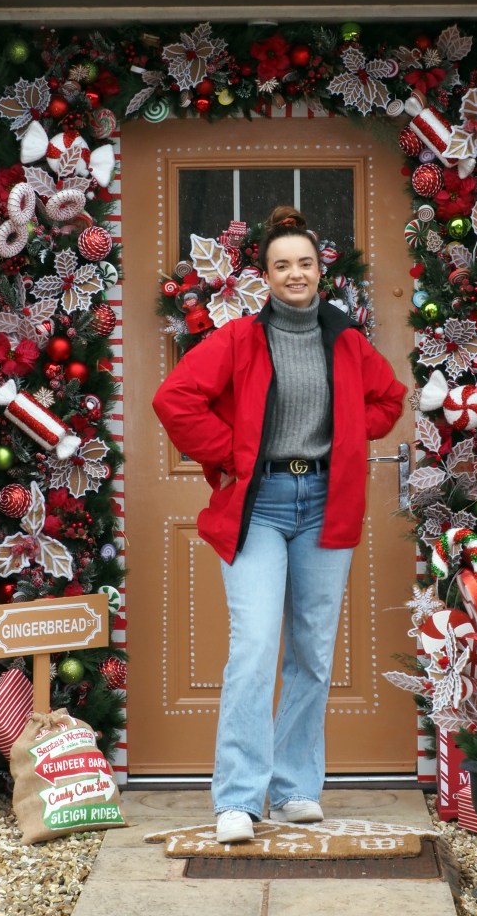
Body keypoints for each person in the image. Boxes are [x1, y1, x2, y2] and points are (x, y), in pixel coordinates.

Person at [152, 206, 406, 843]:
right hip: (258, 505)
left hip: (325, 503)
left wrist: (348, 435)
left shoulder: (346, 339)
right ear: (264, 276)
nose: (296, 274)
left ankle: (295, 790)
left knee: (313, 654)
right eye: (282, 265)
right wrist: (232, 452)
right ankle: (238, 799)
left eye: (306, 264)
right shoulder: (239, 339)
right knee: (256, 646)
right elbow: (174, 400)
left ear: (322, 272)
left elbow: (389, 399)